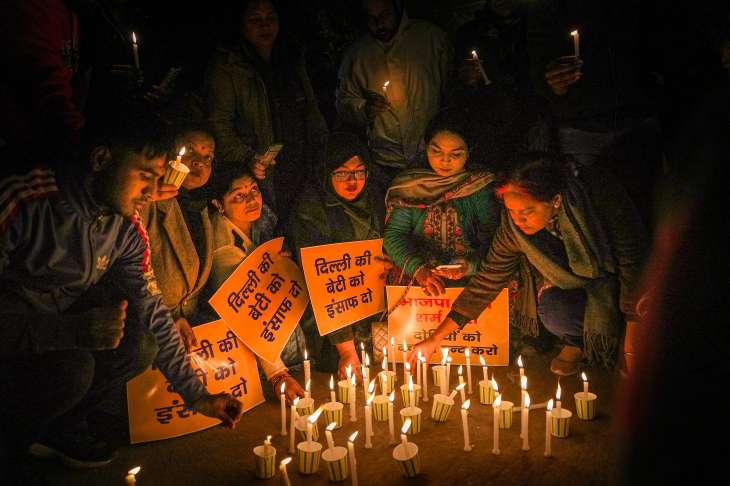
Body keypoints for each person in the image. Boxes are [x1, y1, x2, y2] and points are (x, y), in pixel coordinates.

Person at [0, 111, 242, 473]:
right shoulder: (26, 201)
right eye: (145, 176)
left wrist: (197, 395)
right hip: (14, 343)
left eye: (158, 179)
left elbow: (152, 307)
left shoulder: (124, 227)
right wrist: (66, 332)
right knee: (75, 368)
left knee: (141, 341)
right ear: (101, 159)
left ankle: (60, 426)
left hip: (50, 334)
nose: (151, 191)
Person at [406, 153, 647, 376]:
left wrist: (632, 339)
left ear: (555, 200)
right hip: (574, 286)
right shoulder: (512, 230)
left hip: (619, 281)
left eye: (528, 211)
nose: (519, 219)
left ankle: (621, 333)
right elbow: (488, 279)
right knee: (554, 312)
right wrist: (436, 338)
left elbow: (633, 260)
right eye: (511, 211)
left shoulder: (598, 195)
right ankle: (579, 341)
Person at [527, 0, 662, 226]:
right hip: (580, 125)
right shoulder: (548, 8)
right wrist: (552, 82)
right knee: (588, 211)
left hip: (636, 119)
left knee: (644, 208)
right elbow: (538, 66)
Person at [205, 0, 327, 217]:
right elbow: (219, 124)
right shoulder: (229, 66)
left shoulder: (291, 58)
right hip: (262, 173)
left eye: (271, 18)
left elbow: (311, 110)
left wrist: (322, 151)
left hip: (301, 162)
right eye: (255, 20)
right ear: (241, 24)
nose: (265, 26)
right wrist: (248, 158)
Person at [203, 164, 306, 402]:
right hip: (252, 353)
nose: (251, 199)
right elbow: (245, 315)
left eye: (253, 190)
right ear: (219, 205)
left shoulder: (260, 221)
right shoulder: (224, 249)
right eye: (238, 195)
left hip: (280, 330)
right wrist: (278, 374)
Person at [290, 132, 385, 381]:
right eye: (342, 172)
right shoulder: (311, 207)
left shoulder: (376, 199)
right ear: (326, 172)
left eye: (360, 171)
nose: (352, 181)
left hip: (371, 304)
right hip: (330, 317)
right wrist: (345, 349)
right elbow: (322, 281)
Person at [335, 0, 452, 194]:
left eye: (385, 15)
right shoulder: (357, 55)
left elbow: (451, 86)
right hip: (386, 161)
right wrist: (365, 109)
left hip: (433, 157)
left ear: (398, 8)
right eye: (371, 18)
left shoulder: (430, 38)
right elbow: (344, 102)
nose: (379, 23)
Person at [383, 112, 501, 295]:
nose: (445, 161)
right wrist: (418, 269)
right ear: (426, 147)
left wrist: (469, 266)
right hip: (420, 272)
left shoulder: (478, 186)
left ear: (469, 152)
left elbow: (496, 239)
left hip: (472, 274)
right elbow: (394, 235)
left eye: (456, 154)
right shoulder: (412, 186)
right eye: (436, 151)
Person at [138, 126, 217, 352]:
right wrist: (168, 318)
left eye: (207, 156)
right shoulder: (145, 201)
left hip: (188, 328)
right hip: (149, 324)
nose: (198, 161)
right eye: (189, 151)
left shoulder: (203, 210)